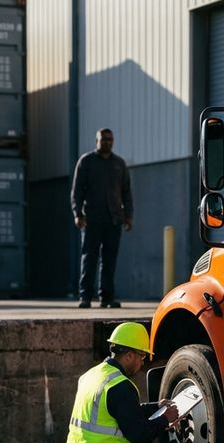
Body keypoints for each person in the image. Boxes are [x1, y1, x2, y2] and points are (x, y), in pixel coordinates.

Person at [70, 128, 133, 309]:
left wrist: (128, 216)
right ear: (96, 140)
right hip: (91, 219)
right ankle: (85, 297)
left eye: (110, 139)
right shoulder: (86, 162)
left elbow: (126, 192)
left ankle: (107, 297)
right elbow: (76, 191)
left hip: (113, 219)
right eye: (103, 139)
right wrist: (77, 214)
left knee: (109, 259)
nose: (107, 142)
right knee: (89, 258)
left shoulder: (119, 164)